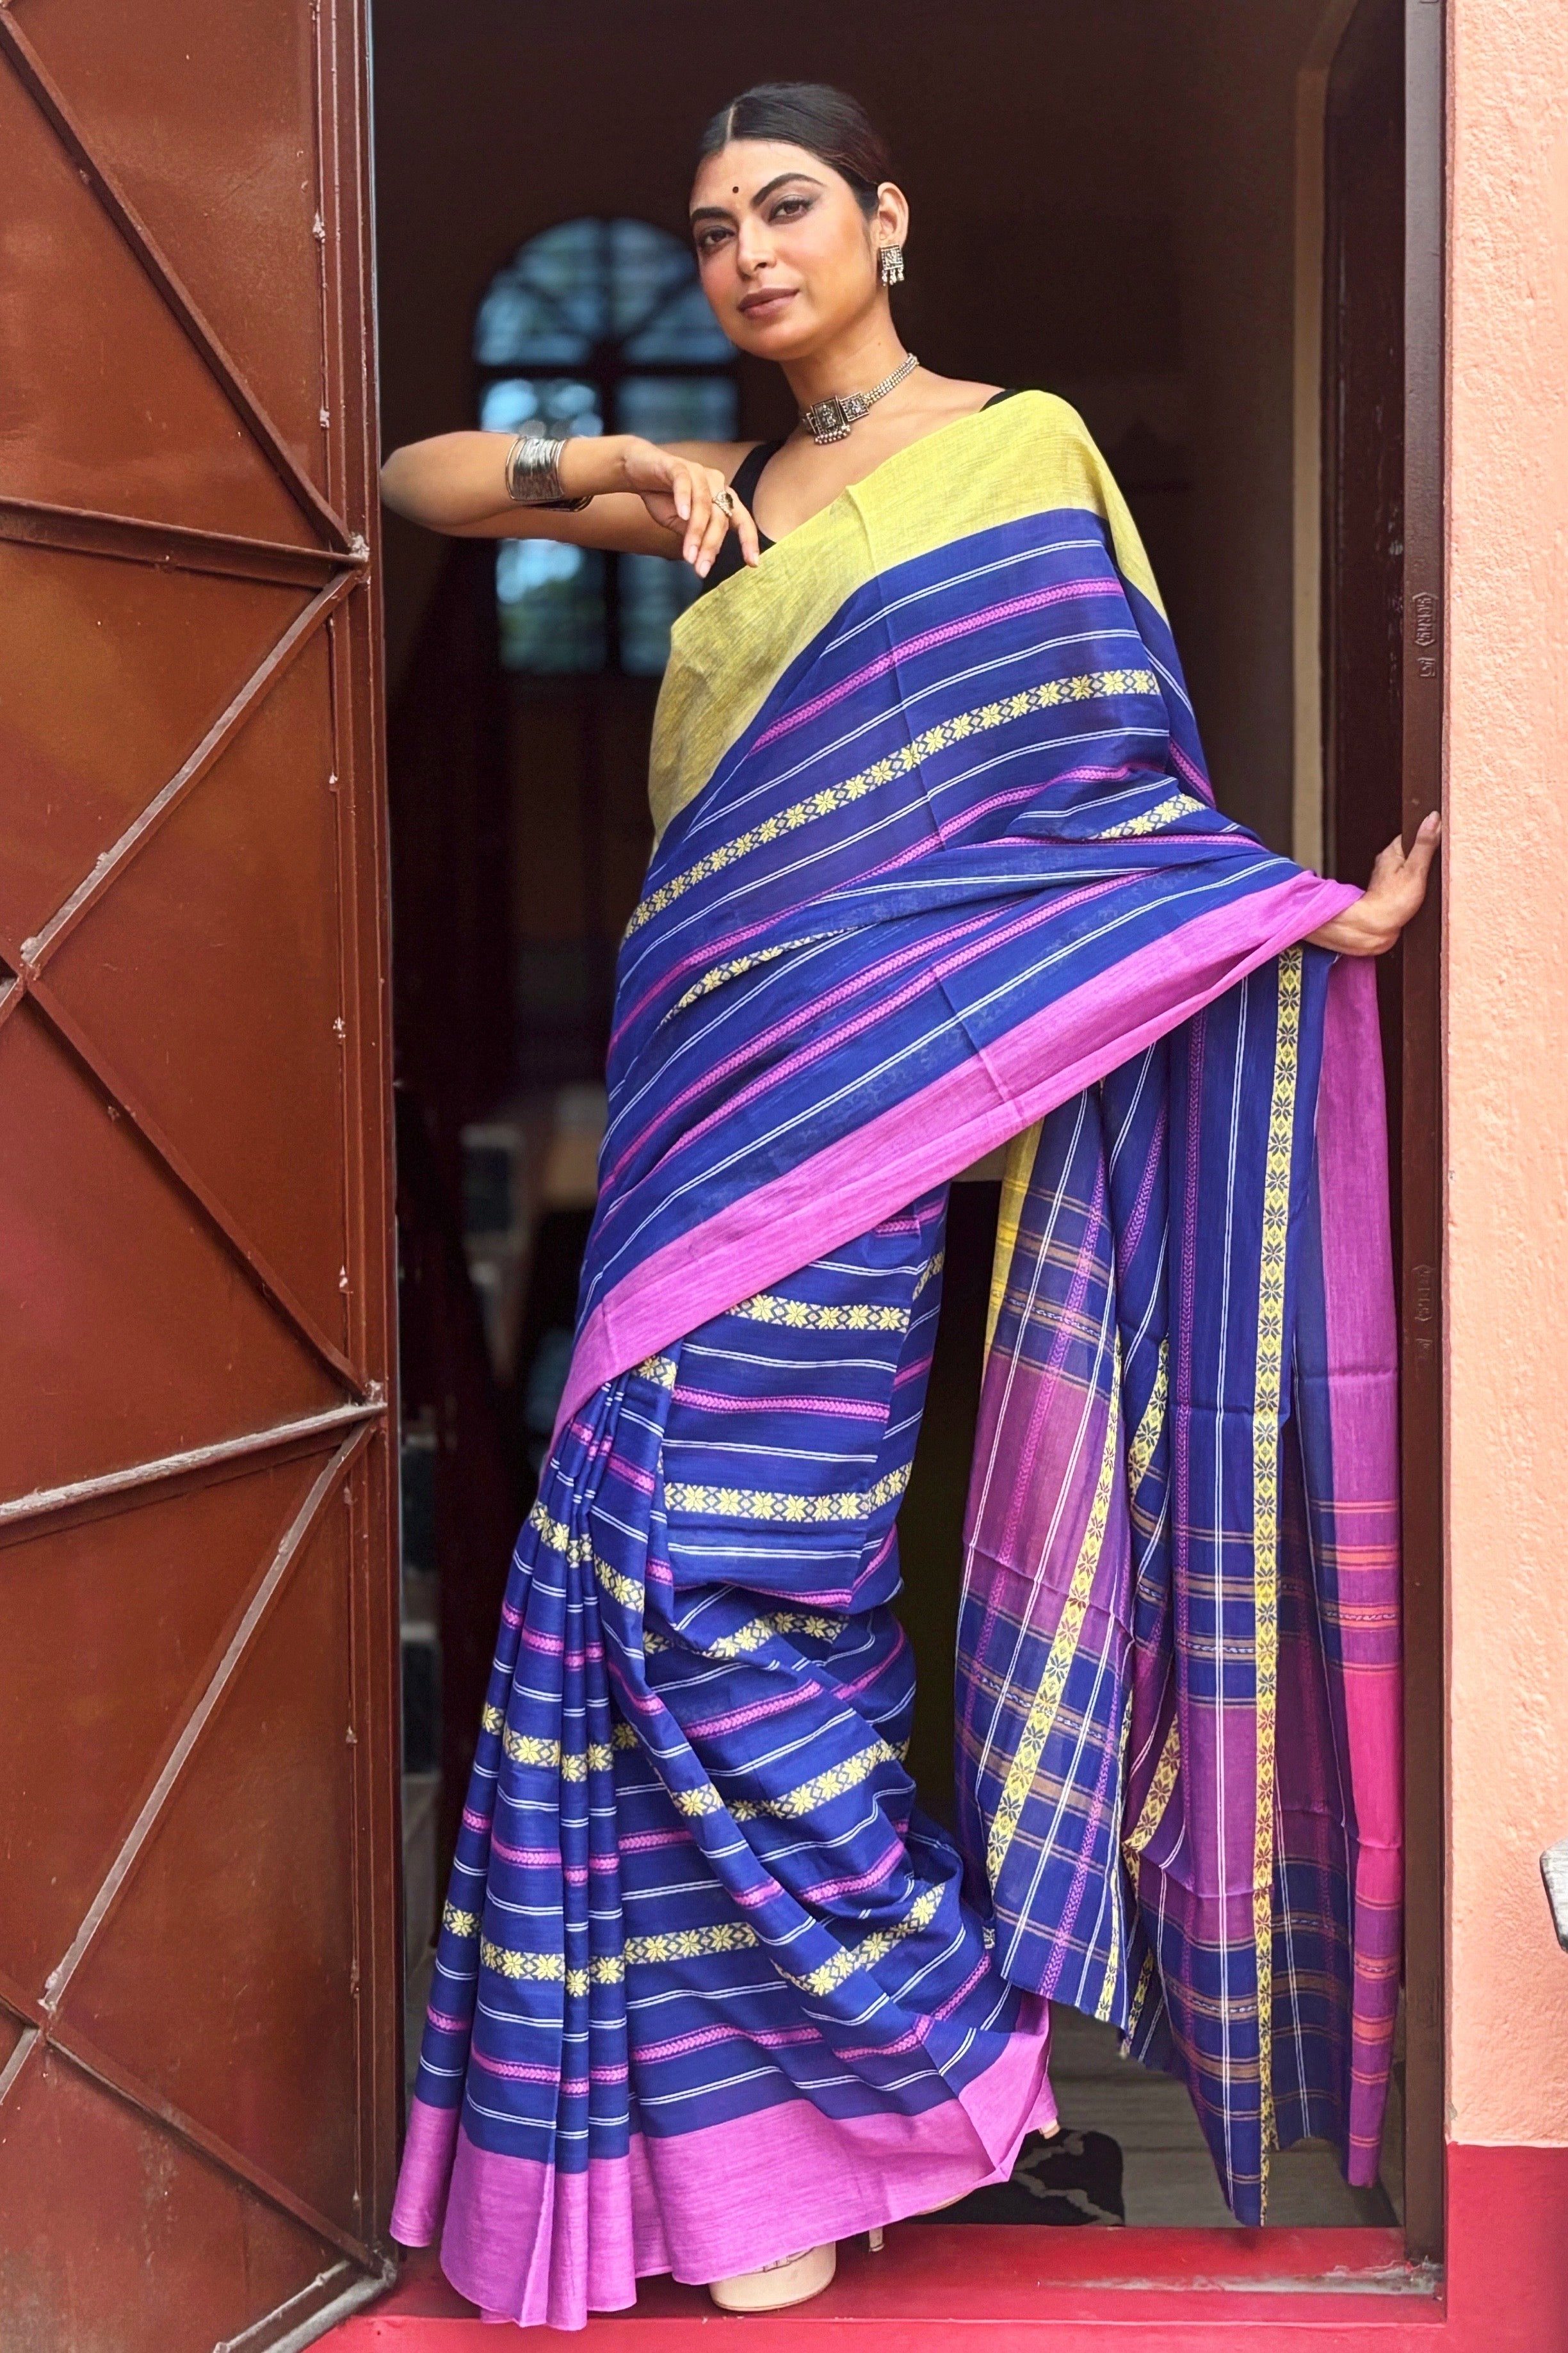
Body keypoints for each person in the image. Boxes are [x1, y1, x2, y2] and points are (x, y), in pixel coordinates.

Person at [382, 81, 1437, 2330]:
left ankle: (937, 2047)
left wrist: (1286, 917)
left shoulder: (1016, 454)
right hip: (693, 1100)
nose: (746, 254)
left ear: (884, 219)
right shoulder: (725, 499)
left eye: (786, 208)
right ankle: (766, 2160)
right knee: (627, 1570)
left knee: (729, 1587)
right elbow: (414, 480)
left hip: (867, 1144)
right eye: (705, 231)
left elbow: (1095, 801)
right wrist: (622, 469)